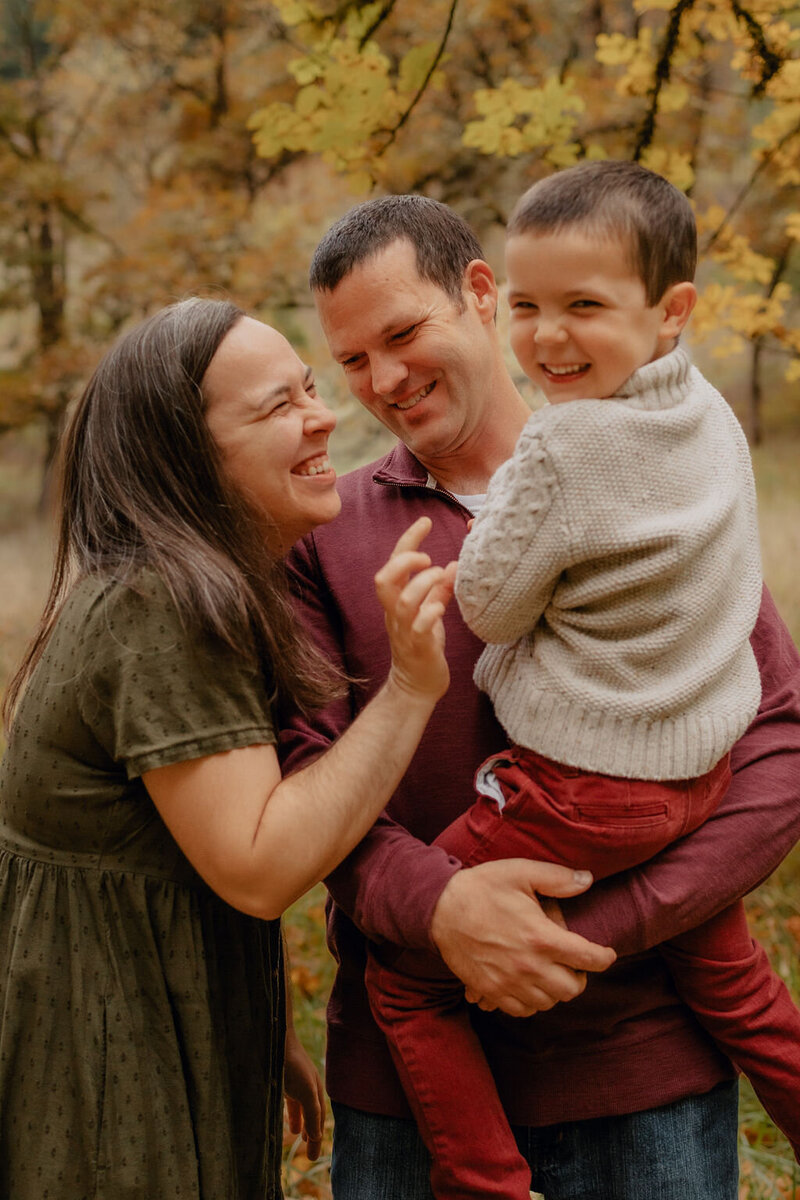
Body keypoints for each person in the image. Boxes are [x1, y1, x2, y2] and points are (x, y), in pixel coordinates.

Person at [280, 192, 800, 1200]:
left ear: (480, 295)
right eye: (351, 361)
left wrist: (604, 924)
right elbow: (302, 780)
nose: (384, 379)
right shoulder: (320, 530)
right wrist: (445, 910)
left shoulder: (662, 469)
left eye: (402, 333)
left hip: (641, 1081)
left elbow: (776, 739)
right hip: (401, 1113)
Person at [0, 296, 460, 1199]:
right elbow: (257, 865)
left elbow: (178, 850)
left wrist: (264, 1024)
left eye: (310, 389)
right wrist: (409, 688)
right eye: (276, 407)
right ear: (185, 455)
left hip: (149, 1007)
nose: (323, 416)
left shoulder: (172, 584)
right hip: (106, 1047)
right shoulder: (160, 604)